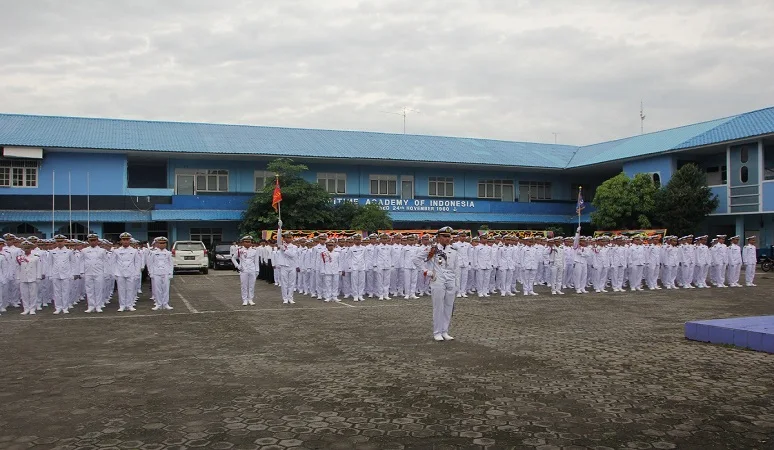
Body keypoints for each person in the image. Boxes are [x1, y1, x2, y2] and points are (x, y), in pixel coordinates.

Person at [418, 226, 458, 342]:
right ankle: (437, 332)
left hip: (450, 280)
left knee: (448, 307)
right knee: (438, 307)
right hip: (438, 280)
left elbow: (456, 268)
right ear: (438, 237)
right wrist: (426, 271)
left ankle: (445, 331)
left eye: (449, 236)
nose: (447, 238)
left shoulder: (453, 251)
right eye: (444, 236)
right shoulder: (432, 250)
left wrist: (457, 285)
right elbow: (416, 259)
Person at [114, 232, 141, 312]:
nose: (125, 241)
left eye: (127, 240)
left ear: (129, 241)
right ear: (121, 241)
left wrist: (136, 273)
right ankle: (122, 305)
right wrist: (115, 273)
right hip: (120, 272)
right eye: (124, 240)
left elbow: (137, 263)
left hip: (131, 272)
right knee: (121, 290)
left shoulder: (134, 251)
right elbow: (113, 263)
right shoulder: (116, 251)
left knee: (130, 289)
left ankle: (129, 305)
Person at [17, 241, 44, 315]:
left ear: (31, 248)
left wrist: (38, 277)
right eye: (25, 248)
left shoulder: (36, 257)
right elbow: (17, 268)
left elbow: (39, 268)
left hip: (33, 278)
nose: (26, 249)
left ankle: (32, 309)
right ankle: (26, 308)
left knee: (33, 294)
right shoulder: (20, 257)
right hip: (23, 278)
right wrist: (17, 278)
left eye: (28, 248)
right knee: (24, 294)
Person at [82, 233, 107, 313]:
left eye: (94, 240)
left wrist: (105, 273)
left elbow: (105, 262)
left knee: (98, 290)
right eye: (91, 240)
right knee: (89, 290)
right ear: (88, 241)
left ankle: (98, 306)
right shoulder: (84, 251)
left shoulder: (102, 251)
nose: (93, 242)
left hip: (99, 272)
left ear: (97, 241)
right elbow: (81, 262)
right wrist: (81, 272)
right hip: (88, 272)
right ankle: (91, 306)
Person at [275, 225, 300, 304]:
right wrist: (279, 228)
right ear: (284, 238)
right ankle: (285, 298)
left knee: (292, 283)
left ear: (292, 238)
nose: (288, 239)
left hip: (292, 266)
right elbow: (278, 239)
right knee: (284, 283)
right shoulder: (281, 245)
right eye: (287, 237)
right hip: (284, 266)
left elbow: (292, 255)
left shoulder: (295, 247)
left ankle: (290, 297)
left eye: (290, 237)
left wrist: (285, 250)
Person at [232, 235, 260, 306]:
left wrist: (257, 270)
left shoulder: (254, 250)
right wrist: (238, 266)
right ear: (243, 242)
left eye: (249, 242)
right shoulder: (240, 250)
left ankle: (250, 299)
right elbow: (233, 258)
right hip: (243, 270)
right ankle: (244, 300)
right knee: (244, 285)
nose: (248, 243)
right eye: (246, 242)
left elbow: (256, 261)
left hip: (252, 269)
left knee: (251, 285)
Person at [148, 237, 174, 310]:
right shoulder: (153, 253)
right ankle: (158, 304)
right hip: (156, 273)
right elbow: (150, 264)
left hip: (165, 273)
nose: (162, 245)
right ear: (157, 244)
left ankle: (165, 304)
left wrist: (170, 273)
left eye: (164, 243)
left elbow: (170, 264)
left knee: (166, 289)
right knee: (157, 289)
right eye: (160, 243)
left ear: (166, 244)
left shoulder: (168, 253)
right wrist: (151, 273)